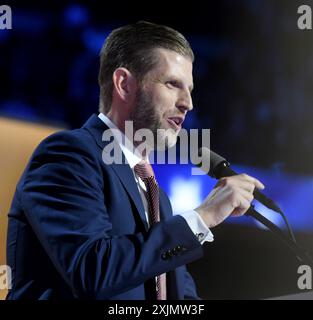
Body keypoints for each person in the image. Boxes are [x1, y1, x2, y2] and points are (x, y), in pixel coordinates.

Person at [6, 21, 264, 300]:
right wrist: (203, 217)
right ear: (124, 84)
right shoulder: (69, 155)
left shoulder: (157, 197)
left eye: (189, 89)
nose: (187, 103)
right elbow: (92, 272)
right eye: (172, 84)